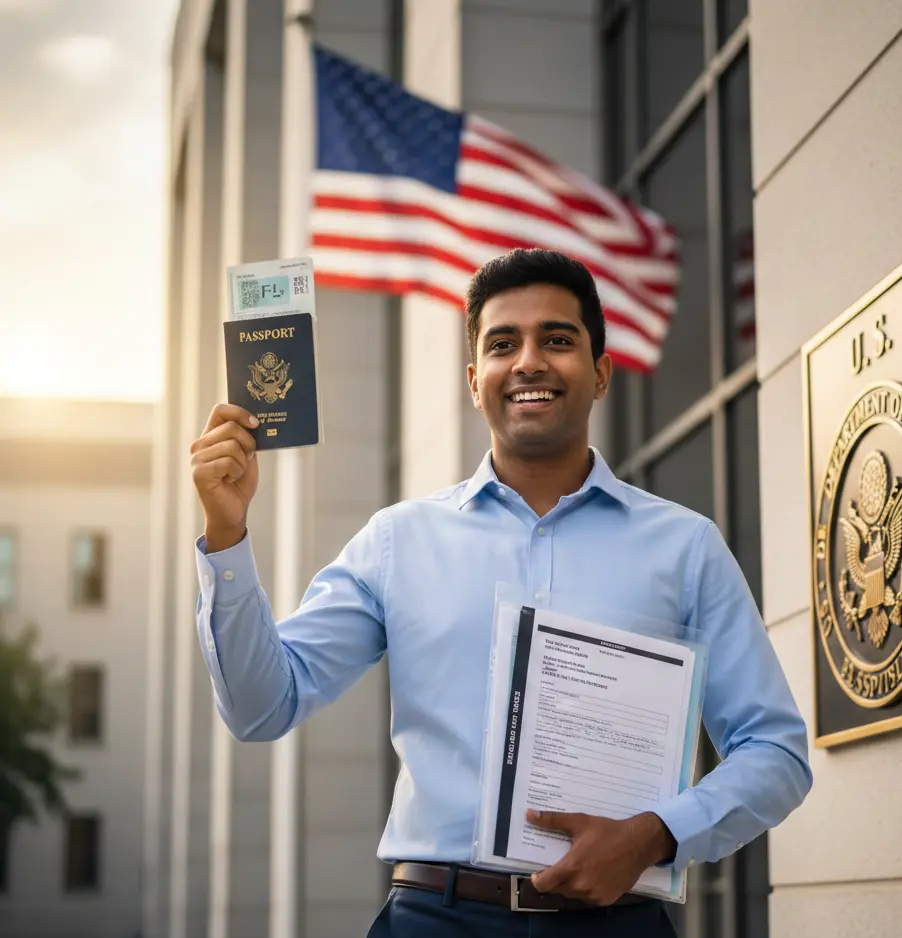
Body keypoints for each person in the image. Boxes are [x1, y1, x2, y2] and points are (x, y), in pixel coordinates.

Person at [190, 248, 812, 936]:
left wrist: (656, 834)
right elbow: (260, 706)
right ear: (474, 381)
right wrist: (226, 533)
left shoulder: (686, 548)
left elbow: (775, 752)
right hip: (434, 919)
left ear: (601, 373)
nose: (529, 362)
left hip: (619, 920)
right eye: (503, 344)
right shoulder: (399, 541)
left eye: (557, 339)